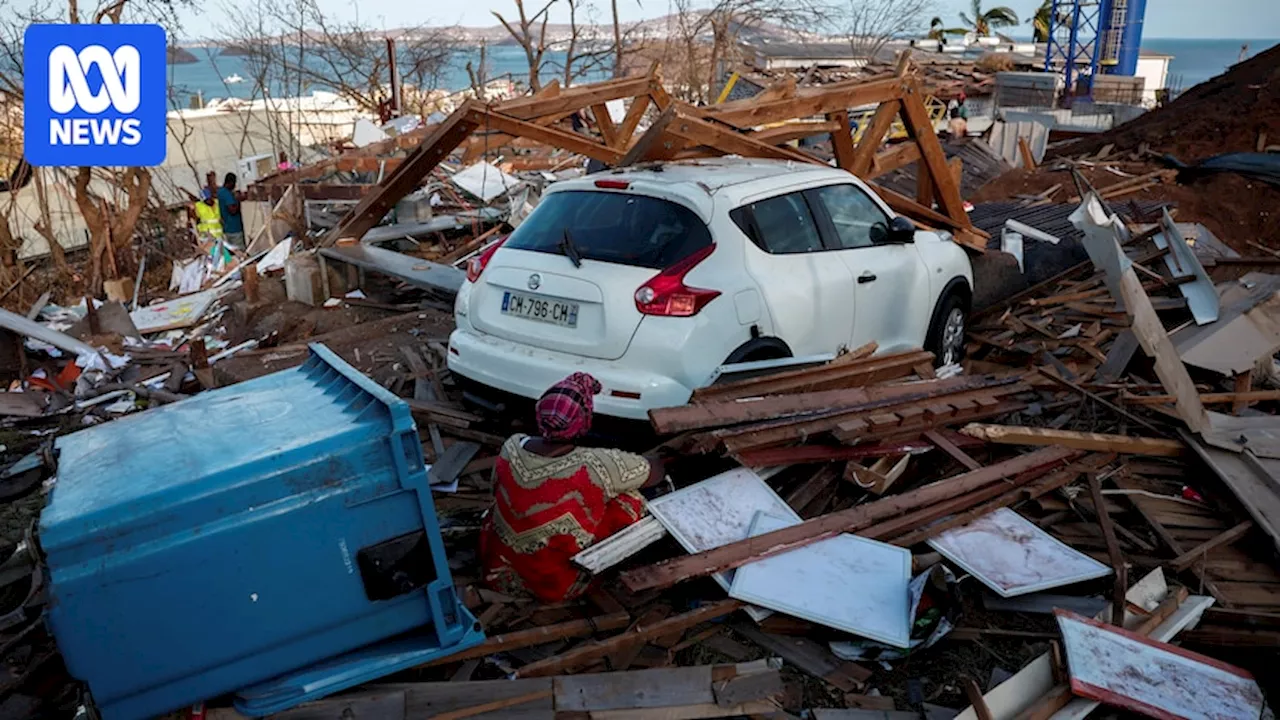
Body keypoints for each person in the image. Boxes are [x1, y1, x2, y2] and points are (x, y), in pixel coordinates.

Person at [480, 373, 665, 603]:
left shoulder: (512, 445)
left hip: (497, 572)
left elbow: (494, 493)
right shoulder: (595, 465)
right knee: (632, 499)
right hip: (553, 585)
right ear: (585, 421)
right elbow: (654, 473)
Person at [217, 173, 244, 248]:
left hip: (227, 228)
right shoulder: (227, 194)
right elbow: (233, 211)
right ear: (231, 182)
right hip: (235, 229)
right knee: (239, 250)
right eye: (234, 183)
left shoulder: (220, 192)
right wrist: (238, 200)